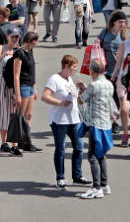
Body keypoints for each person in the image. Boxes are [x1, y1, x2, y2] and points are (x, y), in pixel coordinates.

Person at [41, 54, 91, 188]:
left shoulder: (70, 79)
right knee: (61, 148)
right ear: (66, 66)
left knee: (79, 147)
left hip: (74, 119)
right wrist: (59, 102)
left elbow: (74, 99)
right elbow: (44, 96)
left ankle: (77, 176)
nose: (76, 70)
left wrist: (82, 90)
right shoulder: (55, 79)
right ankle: (60, 177)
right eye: (74, 67)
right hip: (60, 120)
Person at [77, 59, 115, 199]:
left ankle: (96, 187)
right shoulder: (109, 84)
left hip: (95, 124)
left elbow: (82, 100)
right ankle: (104, 184)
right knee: (101, 155)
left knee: (92, 156)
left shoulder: (93, 85)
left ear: (92, 71)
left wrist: (82, 89)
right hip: (106, 124)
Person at [0, 27, 19, 154]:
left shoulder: (20, 50)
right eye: (12, 36)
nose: (15, 39)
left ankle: (15, 144)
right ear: (7, 37)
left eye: (17, 36)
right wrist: (3, 55)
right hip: (2, 81)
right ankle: (4, 141)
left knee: (15, 112)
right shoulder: (1, 48)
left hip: (15, 82)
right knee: (3, 110)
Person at [12, 31, 41, 153]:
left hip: (30, 86)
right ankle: (15, 145)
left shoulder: (30, 51)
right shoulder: (19, 53)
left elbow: (32, 70)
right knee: (20, 116)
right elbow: (16, 75)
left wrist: (34, 87)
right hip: (23, 87)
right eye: (34, 42)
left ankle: (26, 141)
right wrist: (17, 94)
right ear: (29, 42)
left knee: (28, 116)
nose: (36, 45)